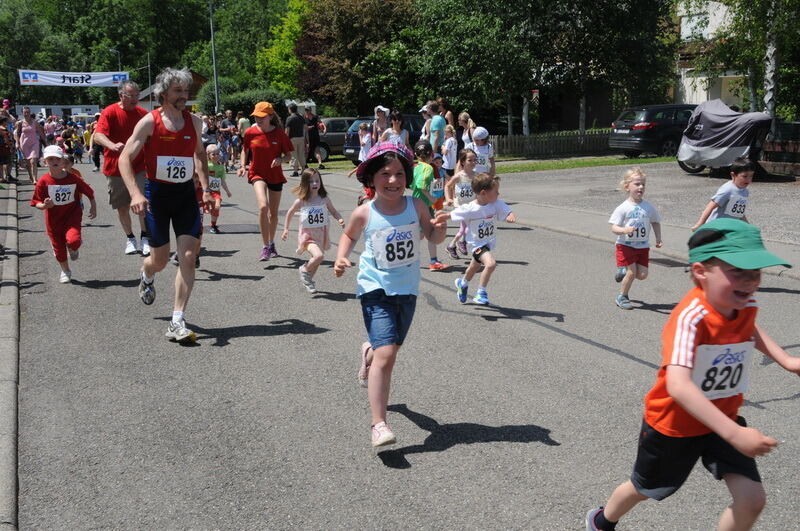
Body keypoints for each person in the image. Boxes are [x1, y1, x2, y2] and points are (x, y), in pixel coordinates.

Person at [586, 218, 799, 531]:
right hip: (674, 426)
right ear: (701, 272)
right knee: (643, 488)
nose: (751, 281)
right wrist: (736, 434)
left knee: (752, 500)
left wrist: (786, 360)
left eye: (756, 271)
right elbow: (678, 385)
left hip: (722, 418)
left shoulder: (743, 301)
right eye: (738, 271)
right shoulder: (691, 316)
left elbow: (748, 328)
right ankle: (602, 520)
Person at [333, 141, 447, 447]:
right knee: (388, 354)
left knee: (389, 348)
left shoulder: (417, 206)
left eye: (399, 173)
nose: (393, 180)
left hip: (406, 290)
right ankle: (378, 424)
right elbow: (348, 235)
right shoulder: (364, 212)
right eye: (385, 174)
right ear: (371, 178)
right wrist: (342, 257)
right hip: (375, 289)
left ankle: (368, 352)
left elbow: (433, 235)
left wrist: (440, 228)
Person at [119, 67, 213, 343]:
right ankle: (146, 274)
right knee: (159, 260)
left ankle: (177, 319)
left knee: (186, 256)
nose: (184, 96)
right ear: (163, 94)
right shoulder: (149, 122)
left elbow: (199, 156)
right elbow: (125, 158)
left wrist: (205, 188)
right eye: (178, 91)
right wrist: (136, 194)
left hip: (185, 196)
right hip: (157, 196)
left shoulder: (194, 122)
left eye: (186, 91)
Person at [93, 80, 151, 256]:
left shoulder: (142, 113)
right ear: (121, 95)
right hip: (115, 168)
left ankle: (145, 237)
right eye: (130, 95)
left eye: (137, 95)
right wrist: (111, 145)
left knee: (142, 202)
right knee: (122, 206)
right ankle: (130, 238)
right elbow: (98, 135)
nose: (135, 99)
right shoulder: (109, 112)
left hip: (139, 166)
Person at [440, 173, 516, 305]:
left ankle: (462, 283)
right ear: (483, 193)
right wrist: (442, 217)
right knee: (491, 264)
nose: (498, 194)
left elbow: (506, 210)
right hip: (476, 244)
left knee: (474, 267)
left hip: (488, 243)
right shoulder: (471, 208)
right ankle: (481, 292)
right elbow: (455, 213)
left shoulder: (495, 203)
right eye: (495, 191)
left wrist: (510, 215)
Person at [29, 145, 97, 283]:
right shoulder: (43, 181)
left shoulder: (73, 178)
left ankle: (73, 247)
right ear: (44, 162)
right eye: (50, 159)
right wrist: (45, 205)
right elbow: (36, 202)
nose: (54, 161)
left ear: (63, 161)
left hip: (72, 215)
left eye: (57, 159)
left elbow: (89, 192)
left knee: (74, 240)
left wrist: (93, 207)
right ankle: (65, 271)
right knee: (59, 249)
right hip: (53, 221)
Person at [240, 101, 293, 261]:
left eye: (262, 116)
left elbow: (289, 156)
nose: (258, 119)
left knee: (274, 214)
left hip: (275, 175)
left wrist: (280, 159)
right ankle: (265, 247)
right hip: (257, 173)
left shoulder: (279, 134)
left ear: (270, 116)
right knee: (263, 206)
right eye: (256, 116)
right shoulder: (250, 132)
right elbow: (245, 150)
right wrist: (243, 166)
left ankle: (271, 243)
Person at [281, 168, 344, 293]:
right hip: (308, 236)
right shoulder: (302, 201)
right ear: (305, 183)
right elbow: (290, 212)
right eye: (311, 181)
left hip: (321, 235)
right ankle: (304, 269)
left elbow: (334, 211)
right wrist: (286, 229)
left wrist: (340, 219)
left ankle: (308, 280)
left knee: (318, 259)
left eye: (317, 180)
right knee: (318, 256)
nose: (315, 184)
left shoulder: (324, 199)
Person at [609, 168, 663, 310]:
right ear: (627, 186)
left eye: (643, 184)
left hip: (643, 246)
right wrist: (624, 230)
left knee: (642, 275)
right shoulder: (623, 208)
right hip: (625, 245)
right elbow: (614, 228)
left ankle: (622, 269)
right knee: (632, 273)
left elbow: (655, 222)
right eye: (637, 184)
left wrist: (658, 238)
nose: (641, 187)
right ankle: (622, 296)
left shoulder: (648, 207)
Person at [411, 141, 449, 271]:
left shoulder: (415, 166)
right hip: (424, 207)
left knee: (422, 234)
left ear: (416, 154)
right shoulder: (428, 168)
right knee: (426, 234)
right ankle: (429, 261)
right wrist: (432, 198)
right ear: (432, 154)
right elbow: (422, 186)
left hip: (417, 204)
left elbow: (412, 185)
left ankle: (427, 261)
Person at [692, 157, 754, 231]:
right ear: (733, 175)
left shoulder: (745, 191)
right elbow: (710, 206)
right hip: (715, 228)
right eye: (745, 176)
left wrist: (747, 226)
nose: (749, 179)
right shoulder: (727, 190)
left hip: (729, 229)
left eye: (751, 176)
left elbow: (739, 213)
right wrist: (700, 224)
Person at [444, 148, 478, 258]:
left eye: (474, 160)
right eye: (470, 160)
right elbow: (448, 186)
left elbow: (479, 189)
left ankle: (453, 244)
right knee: (466, 228)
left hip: (471, 206)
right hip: (461, 206)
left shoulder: (476, 175)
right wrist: (449, 198)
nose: (473, 162)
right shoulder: (459, 176)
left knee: (465, 228)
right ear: (463, 162)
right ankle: (458, 243)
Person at [14, 107, 45, 184]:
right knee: (28, 162)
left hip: (34, 142)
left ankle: (35, 179)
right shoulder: (20, 123)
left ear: (30, 112)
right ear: (22, 113)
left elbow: (41, 133)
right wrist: (17, 143)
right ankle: (30, 176)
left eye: (28, 112)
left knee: (33, 161)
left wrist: (46, 142)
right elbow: (17, 134)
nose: (27, 114)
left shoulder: (35, 122)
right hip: (24, 143)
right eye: (25, 112)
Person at [205, 144, 231, 234]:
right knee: (203, 208)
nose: (216, 156)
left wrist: (227, 191)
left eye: (217, 154)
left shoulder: (221, 167)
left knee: (217, 207)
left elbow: (222, 181)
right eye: (213, 154)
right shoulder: (206, 165)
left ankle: (213, 225)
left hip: (216, 191)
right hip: (206, 190)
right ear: (208, 155)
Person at [285, 103, 307, 177]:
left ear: (290, 110)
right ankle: (303, 169)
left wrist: (285, 139)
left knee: (294, 154)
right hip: (301, 137)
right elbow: (305, 127)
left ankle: (295, 171)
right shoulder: (301, 117)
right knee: (301, 153)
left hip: (292, 138)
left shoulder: (289, 118)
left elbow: (287, 131)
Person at [0, 116, 13, 182]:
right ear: (3, 122)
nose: (7, 123)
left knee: (1, 164)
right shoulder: (3, 130)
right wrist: (11, 147)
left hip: (2, 148)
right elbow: (6, 140)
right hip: (4, 148)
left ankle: (2, 177)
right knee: (5, 163)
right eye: (6, 121)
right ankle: (4, 177)